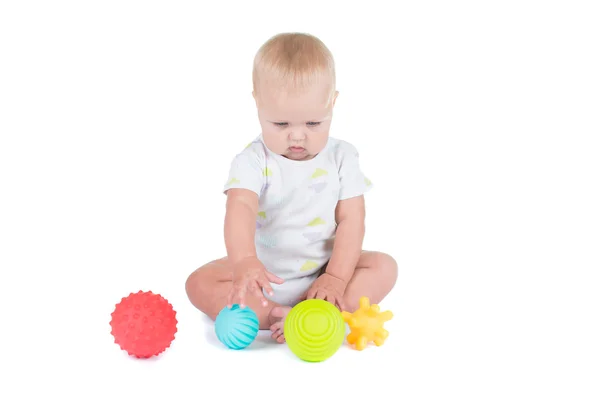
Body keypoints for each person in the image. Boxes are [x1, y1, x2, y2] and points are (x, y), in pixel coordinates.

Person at [185, 32, 397, 343]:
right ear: (258, 103)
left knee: (383, 266)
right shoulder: (253, 160)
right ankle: (282, 315)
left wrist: (336, 279)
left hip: (324, 271)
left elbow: (353, 220)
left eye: (313, 124)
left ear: (333, 103)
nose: (297, 137)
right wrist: (245, 262)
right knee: (199, 283)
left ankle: (322, 309)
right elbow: (240, 208)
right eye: (281, 124)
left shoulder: (343, 157)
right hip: (263, 275)